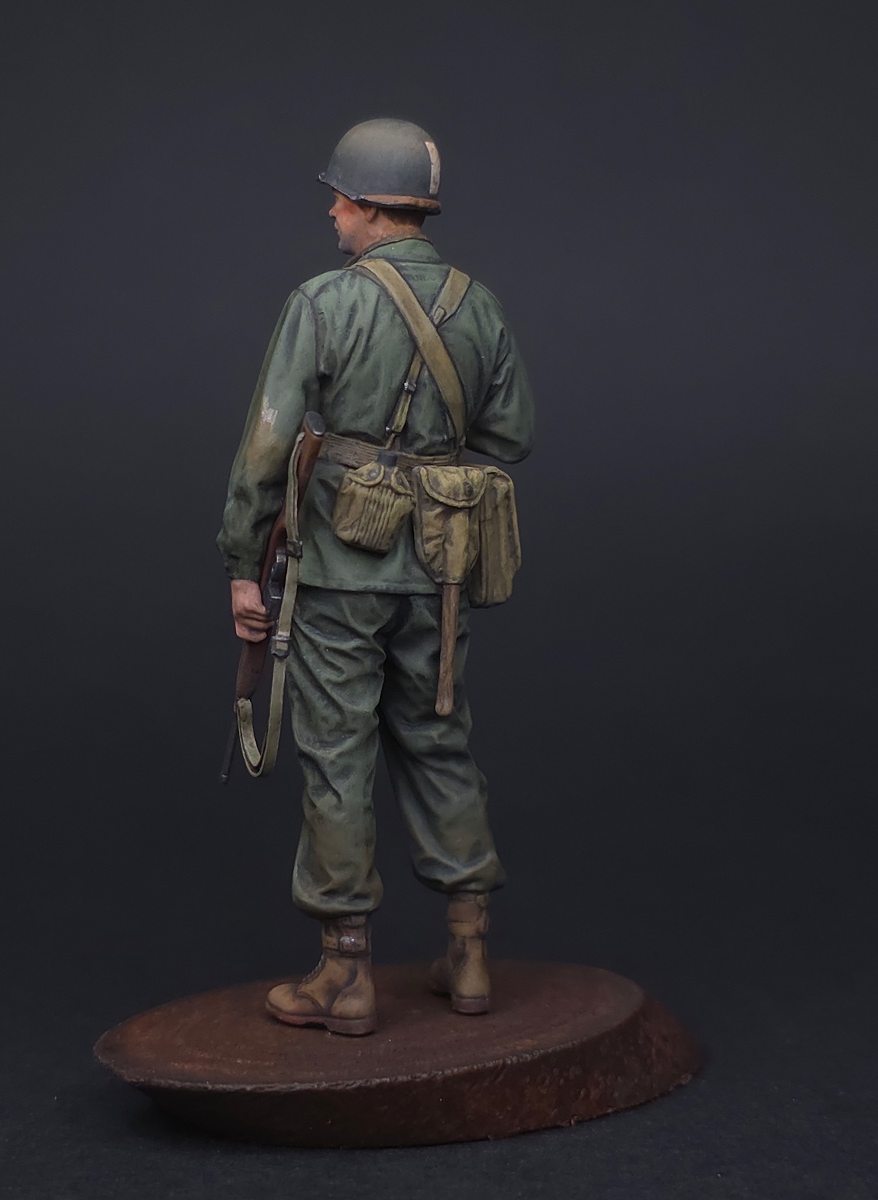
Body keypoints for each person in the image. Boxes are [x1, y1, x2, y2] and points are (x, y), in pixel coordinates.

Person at [217, 118, 534, 1036]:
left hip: (342, 573)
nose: (331, 213)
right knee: (439, 739)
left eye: (340, 200)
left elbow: (266, 446)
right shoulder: (480, 305)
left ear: (368, 206)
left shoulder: (322, 302)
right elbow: (512, 434)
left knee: (336, 752)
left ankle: (344, 970)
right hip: (441, 566)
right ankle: (469, 951)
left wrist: (243, 563)